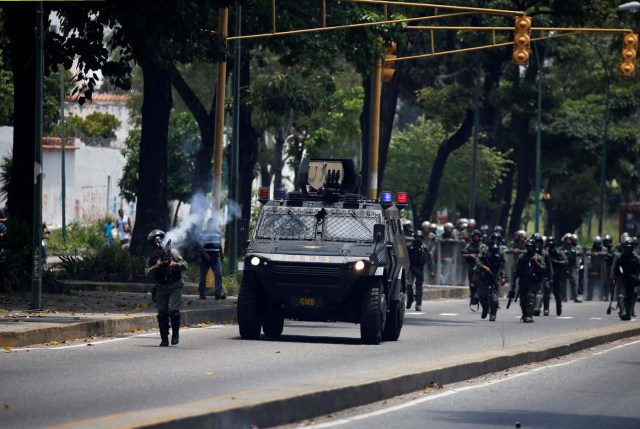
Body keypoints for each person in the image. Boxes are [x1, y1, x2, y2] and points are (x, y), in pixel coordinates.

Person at [145, 229, 187, 347]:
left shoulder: (172, 252)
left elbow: (185, 265)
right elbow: (147, 273)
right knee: (162, 314)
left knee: (173, 311)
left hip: (174, 286)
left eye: (159, 245)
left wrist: (176, 264)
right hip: (161, 288)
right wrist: (156, 266)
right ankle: (164, 339)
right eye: (155, 246)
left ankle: (175, 335)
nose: (158, 249)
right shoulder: (152, 259)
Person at [510, 238, 546, 323]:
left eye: (531, 247)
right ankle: (525, 314)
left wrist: (536, 263)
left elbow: (544, 268)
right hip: (523, 280)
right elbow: (517, 269)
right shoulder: (522, 257)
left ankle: (529, 316)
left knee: (530, 297)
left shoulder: (538, 257)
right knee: (522, 299)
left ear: (534, 247)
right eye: (528, 247)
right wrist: (514, 282)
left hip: (533, 280)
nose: (529, 248)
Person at [474, 234, 506, 321]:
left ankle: (493, 314)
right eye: (493, 239)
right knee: (481, 295)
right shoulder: (485, 249)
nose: (495, 242)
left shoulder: (501, 251)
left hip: (495, 275)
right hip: (484, 274)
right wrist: (484, 267)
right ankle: (485, 308)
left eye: (497, 240)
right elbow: (478, 261)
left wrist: (503, 276)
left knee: (493, 297)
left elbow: (503, 265)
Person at [610, 236, 640, 321]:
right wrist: (613, 277)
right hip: (622, 278)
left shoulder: (636, 257)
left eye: (630, 248)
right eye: (626, 248)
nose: (628, 250)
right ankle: (622, 312)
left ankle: (629, 312)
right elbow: (614, 267)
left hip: (633, 279)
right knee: (621, 296)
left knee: (633, 295)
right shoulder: (620, 257)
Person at [198, 218, 226, 300]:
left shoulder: (217, 233)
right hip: (205, 257)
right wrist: (205, 254)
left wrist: (222, 255)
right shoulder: (203, 233)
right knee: (203, 276)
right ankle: (202, 294)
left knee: (218, 274)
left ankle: (218, 293)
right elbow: (200, 244)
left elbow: (220, 245)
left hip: (216, 257)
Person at [407, 230, 428, 311]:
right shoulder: (409, 246)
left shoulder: (424, 247)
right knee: (409, 284)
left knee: (419, 286)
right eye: (416, 237)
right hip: (410, 267)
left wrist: (432, 270)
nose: (418, 239)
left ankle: (418, 304)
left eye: (419, 237)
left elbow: (429, 259)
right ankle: (410, 299)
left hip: (420, 268)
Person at [547, 236, 568, 316]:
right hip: (549, 276)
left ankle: (559, 308)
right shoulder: (546, 252)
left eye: (551, 244)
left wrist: (556, 262)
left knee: (558, 295)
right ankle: (546, 309)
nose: (550, 245)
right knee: (546, 294)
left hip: (558, 276)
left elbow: (565, 262)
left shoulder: (559, 252)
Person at [462, 229, 483, 306]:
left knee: (480, 282)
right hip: (471, 265)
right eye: (475, 236)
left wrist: (479, 257)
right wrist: (470, 255)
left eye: (477, 236)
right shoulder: (469, 245)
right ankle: (472, 297)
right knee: (472, 282)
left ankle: (480, 297)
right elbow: (463, 254)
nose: (476, 238)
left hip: (480, 265)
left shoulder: (482, 246)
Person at [561, 233, 582, 303]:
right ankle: (564, 297)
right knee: (563, 282)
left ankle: (576, 297)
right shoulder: (561, 249)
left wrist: (577, 267)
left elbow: (577, 259)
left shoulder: (574, 249)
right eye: (567, 239)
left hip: (572, 267)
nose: (568, 241)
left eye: (569, 239)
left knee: (574, 282)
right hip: (564, 267)